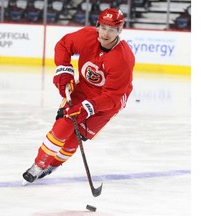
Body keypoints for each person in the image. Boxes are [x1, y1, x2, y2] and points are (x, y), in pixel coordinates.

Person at [22, 8, 135, 183]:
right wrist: (64, 70)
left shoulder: (123, 59)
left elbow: (112, 97)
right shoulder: (87, 36)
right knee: (64, 124)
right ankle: (38, 165)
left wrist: (87, 108)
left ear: (120, 31)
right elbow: (64, 45)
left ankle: (52, 166)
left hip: (108, 103)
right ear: (97, 26)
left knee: (76, 138)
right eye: (103, 27)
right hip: (83, 90)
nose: (106, 33)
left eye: (112, 29)